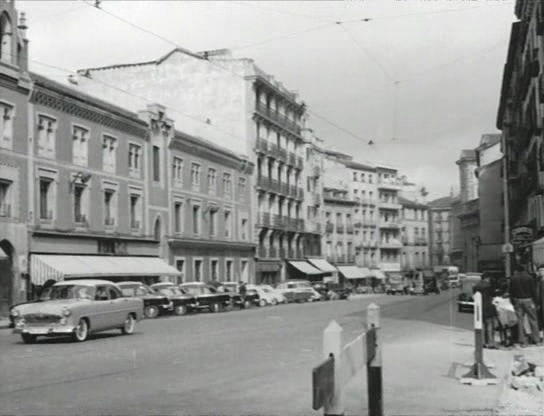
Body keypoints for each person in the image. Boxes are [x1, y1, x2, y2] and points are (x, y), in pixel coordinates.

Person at [509, 265, 541, 347]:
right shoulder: (529, 278)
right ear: (524, 270)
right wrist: (536, 302)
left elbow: (511, 291)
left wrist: (513, 302)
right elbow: (533, 290)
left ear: (517, 270)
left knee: (520, 321)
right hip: (528, 300)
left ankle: (522, 341)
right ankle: (536, 339)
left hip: (517, 300)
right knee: (533, 319)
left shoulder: (513, 278)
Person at [473, 274, 498, 349]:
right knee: (490, 325)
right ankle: (491, 343)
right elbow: (493, 295)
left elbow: (474, 296)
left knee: (482, 325)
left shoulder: (476, 286)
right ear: (487, 278)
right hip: (488, 306)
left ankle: (483, 342)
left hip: (479, 307)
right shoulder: (489, 286)